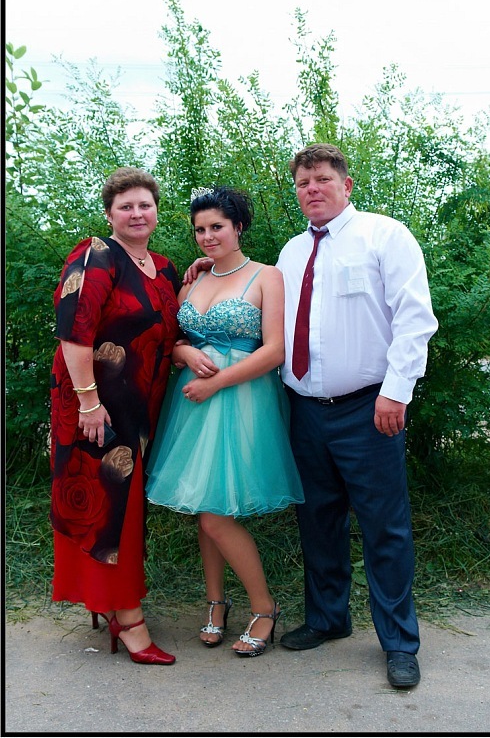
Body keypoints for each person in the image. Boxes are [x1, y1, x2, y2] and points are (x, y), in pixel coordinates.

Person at [185, 145, 438, 687]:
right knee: (318, 521)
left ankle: (399, 642)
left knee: (384, 527)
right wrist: (209, 269)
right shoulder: (293, 252)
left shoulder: (384, 235)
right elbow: (258, 305)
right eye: (303, 183)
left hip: (369, 407)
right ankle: (328, 618)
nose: (312, 189)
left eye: (322, 179)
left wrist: (396, 392)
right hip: (304, 409)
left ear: (346, 184)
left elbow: (415, 318)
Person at [145, 186, 304, 657]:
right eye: (200, 229)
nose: (208, 236)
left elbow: (274, 350)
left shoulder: (266, 276)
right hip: (191, 405)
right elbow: (173, 341)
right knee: (205, 505)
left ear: (238, 227)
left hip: (239, 399)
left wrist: (215, 384)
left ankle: (264, 607)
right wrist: (183, 353)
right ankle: (215, 602)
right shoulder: (193, 280)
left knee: (216, 514)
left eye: (217, 226)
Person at [50, 166, 180, 665]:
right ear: (110, 214)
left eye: (145, 204)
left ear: (156, 211)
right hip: (96, 410)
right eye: (126, 206)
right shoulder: (96, 256)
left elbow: (170, 330)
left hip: (139, 412)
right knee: (111, 515)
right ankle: (129, 620)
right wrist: (88, 402)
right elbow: (74, 333)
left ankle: (109, 603)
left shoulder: (164, 269)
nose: (136, 213)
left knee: (125, 510)